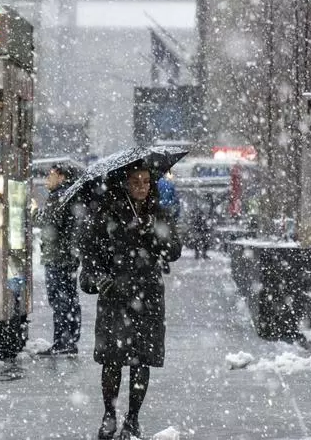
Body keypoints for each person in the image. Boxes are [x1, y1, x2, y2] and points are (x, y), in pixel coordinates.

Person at [80, 162, 182, 440]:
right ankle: (109, 415)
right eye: (135, 181)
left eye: (146, 181)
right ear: (124, 183)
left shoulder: (158, 212)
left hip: (148, 296)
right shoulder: (106, 212)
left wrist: (152, 230)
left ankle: (133, 419)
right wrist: (101, 278)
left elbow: (173, 250)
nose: (141, 186)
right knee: (112, 360)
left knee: (142, 359)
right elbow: (89, 251)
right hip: (116, 296)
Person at [35, 163, 81, 356]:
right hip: (67, 257)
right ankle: (70, 338)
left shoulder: (59, 197)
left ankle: (63, 341)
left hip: (58, 257)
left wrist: (35, 214)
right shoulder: (70, 196)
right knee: (69, 298)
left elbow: (51, 225)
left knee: (60, 299)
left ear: (62, 177)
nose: (47, 179)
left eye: (51, 175)